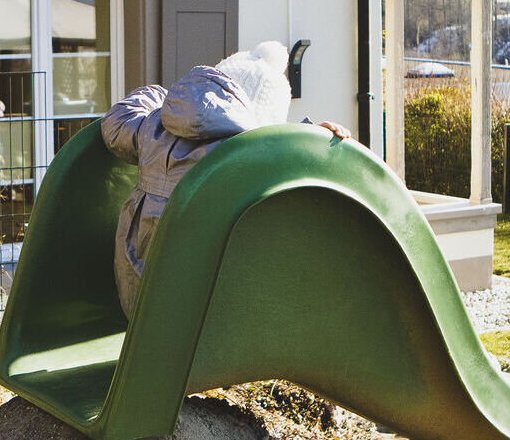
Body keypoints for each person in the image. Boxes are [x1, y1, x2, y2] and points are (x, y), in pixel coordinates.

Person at [101, 41, 350, 317]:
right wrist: (312, 134)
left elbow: (116, 121)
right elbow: (310, 170)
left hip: (141, 300)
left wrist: (165, 97)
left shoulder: (153, 129)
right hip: (212, 315)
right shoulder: (253, 155)